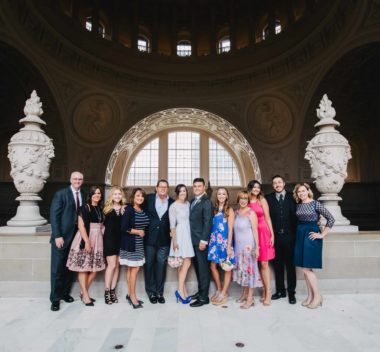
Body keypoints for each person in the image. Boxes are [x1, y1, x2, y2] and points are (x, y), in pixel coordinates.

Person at [293, 183, 335, 309]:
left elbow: (331, 219)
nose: (301, 193)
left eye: (303, 191)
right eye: (299, 192)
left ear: (308, 191)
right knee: (305, 270)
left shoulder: (315, 203)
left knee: (307, 269)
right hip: (301, 234)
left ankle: (317, 296)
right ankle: (310, 296)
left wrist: (322, 235)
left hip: (311, 236)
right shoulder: (298, 205)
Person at [49, 171, 86, 311]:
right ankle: (55, 298)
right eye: (75, 178)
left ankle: (65, 293)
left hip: (76, 238)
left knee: (70, 267)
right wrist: (57, 235)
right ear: (71, 180)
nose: (77, 181)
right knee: (57, 269)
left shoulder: (84, 194)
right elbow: (54, 215)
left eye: (80, 179)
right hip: (62, 238)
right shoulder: (61, 194)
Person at [66, 186, 106, 306]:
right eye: (95, 193)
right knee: (83, 268)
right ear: (90, 194)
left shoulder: (100, 208)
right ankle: (86, 296)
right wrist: (87, 242)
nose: (97, 195)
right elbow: (81, 226)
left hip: (98, 238)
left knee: (94, 269)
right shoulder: (84, 207)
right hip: (86, 238)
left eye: (99, 193)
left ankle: (83, 293)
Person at [266, 175, 298, 304]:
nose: (277, 184)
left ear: (284, 183)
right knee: (277, 265)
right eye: (275, 183)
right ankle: (280, 291)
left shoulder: (293, 197)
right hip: (275, 238)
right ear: (273, 185)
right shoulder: (268, 199)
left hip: (290, 237)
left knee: (290, 266)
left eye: (279, 182)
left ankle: (291, 293)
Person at [143, 179, 174, 304]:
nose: (162, 188)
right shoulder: (148, 199)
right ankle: (151, 292)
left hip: (164, 239)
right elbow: (136, 205)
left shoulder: (172, 202)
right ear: (156, 188)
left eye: (165, 187)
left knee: (161, 266)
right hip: (149, 238)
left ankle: (159, 292)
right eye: (160, 187)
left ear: (168, 188)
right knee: (149, 265)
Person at [120, 188, 149, 309]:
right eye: (138, 195)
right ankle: (133, 296)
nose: (140, 198)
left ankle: (129, 294)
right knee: (134, 269)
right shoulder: (129, 209)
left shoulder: (142, 209)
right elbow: (123, 227)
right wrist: (139, 231)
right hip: (130, 243)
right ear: (133, 196)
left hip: (138, 243)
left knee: (131, 269)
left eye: (142, 196)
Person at [247, 180, 275, 306]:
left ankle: (268, 292)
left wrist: (272, 234)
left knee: (264, 263)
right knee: (254, 264)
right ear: (250, 188)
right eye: (254, 187)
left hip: (263, 232)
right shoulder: (246, 200)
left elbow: (268, 218)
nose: (256, 189)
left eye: (258, 187)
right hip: (251, 234)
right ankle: (260, 290)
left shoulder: (262, 200)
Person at [233, 191, 262, 309]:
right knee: (243, 271)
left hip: (249, 246)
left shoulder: (251, 213)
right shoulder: (235, 213)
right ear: (238, 200)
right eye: (241, 198)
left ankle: (250, 299)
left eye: (245, 198)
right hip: (238, 247)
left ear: (248, 200)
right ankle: (244, 294)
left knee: (250, 271)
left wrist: (257, 248)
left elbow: (255, 231)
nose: (243, 201)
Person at [207, 187, 235, 305]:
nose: (221, 195)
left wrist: (228, 246)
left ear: (227, 196)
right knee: (213, 266)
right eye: (219, 194)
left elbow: (230, 230)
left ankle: (224, 293)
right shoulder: (213, 210)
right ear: (216, 196)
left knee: (226, 267)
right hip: (214, 242)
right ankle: (219, 289)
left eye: (224, 193)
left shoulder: (229, 210)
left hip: (225, 242)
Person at [189, 177, 213, 307]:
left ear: (204, 188)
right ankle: (200, 292)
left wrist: (204, 240)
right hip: (193, 241)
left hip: (201, 242)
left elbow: (207, 222)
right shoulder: (192, 201)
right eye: (195, 186)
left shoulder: (206, 202)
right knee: (198, 268)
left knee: (203, 270)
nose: (197, 188)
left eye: (199, 186)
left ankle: (204, 298)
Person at [169, 184, 194, 304]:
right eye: (180, 191)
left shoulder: (188, 204)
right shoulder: (173, 206)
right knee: (185, 262)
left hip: (188, 234)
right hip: (179, 235)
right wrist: (174, 242)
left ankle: (183, 290)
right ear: (177, 193)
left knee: (184, 264)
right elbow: (172, 226)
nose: (183, 193)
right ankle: (180, 290)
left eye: (184, 191)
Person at [103, 186, 125, 305]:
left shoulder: (125, 209)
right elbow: (102, 227)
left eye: (119, 194)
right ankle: (107, 291)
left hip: (121, 240)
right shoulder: (106, 210)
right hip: (110, 240)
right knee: (111, 265)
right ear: (112, 196)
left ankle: (112, 291)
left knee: (117, 266)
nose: (117, 196)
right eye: (115, 194)